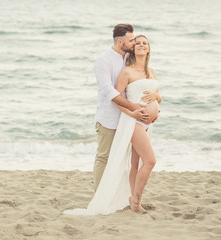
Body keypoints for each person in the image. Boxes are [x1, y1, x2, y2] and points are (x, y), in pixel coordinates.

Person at [64, 34, 161, 215]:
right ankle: (136, 200)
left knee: (135, 164)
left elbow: (158, 96)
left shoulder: (151, 71)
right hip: (133, 122)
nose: (141, 45)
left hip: (149, 124)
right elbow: (116, 99)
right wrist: (132, 112)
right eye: (137, 43)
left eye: (144, 43)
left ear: (148, 49)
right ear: (133, 49)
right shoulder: (127, 72)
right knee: (150, 161)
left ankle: (134, 199)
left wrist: (157, 99)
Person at [93, 24, 150, 191]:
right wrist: (132, 107)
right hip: (108, 118)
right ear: (120, 42)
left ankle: (116, 193)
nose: (134, 43)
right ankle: (99, 194)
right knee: (104, 157)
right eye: (132, 40)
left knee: (123, 158)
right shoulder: (103, 60)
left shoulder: (128, 57)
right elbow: (108, 90)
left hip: (127, 118)